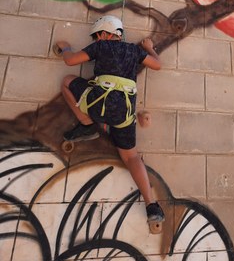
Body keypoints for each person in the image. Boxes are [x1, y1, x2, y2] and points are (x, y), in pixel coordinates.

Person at [56, 15, 165, 224]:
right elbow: (158, 65)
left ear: (106, 34)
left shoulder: (101, 46)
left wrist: (66, 47)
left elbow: (70, 61)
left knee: (67, 81)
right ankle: (152, 206)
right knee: (132, 157)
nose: (97, 39)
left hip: (98, 105)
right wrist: (150, 47)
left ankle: (87, 125)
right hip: (123, 114)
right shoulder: (135, 51)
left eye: (98, 35)